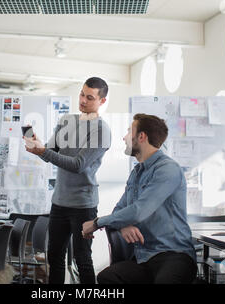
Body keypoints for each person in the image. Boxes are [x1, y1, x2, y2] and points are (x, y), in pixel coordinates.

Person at [82, 114, 197, 284]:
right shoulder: (137, 172)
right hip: (144, 258)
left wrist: (97, 222)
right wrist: (122, 225)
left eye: (129, 132)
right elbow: (119, 209)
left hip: (174, 255)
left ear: (141, 137)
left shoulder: (168, 169)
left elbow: (139, 211)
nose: (124, 137)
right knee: (107, 277)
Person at [24, 77, 111, 284]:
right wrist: (38, 146)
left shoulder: (101, 130)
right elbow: (51, 151)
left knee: (82, 259)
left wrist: (43, 151)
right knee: (54, 257)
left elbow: (78, 165)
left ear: (102, 101)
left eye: (90, 97)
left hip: (83, 204)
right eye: (82, 94)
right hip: (60, 202)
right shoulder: (66, 121)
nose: (82, 100)